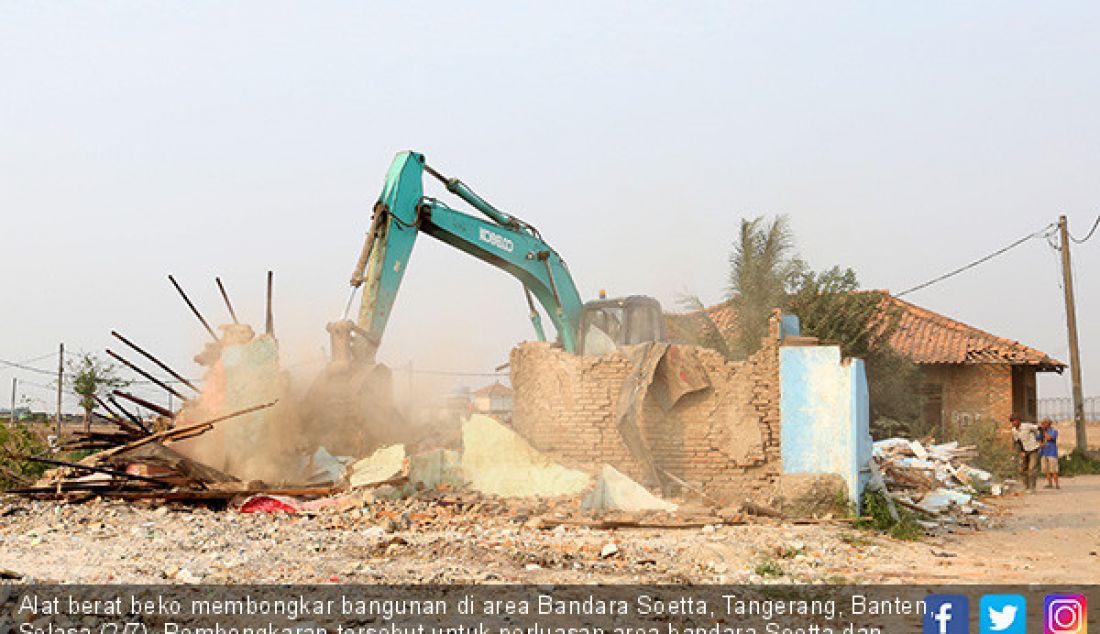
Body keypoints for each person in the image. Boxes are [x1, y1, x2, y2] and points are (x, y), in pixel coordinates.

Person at [1010, 415, 1041, 492]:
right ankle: (1026, 486)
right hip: (1025, 450)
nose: (1014, 422)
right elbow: (1018, 442)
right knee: (1022, 469)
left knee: (1032, 468)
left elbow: (1039, 428)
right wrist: (1021, 451)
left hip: (1033, 449)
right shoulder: (1014, 430)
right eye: (1012, 421)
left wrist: (1041, 440)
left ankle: (1032, 487)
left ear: (1019, 420)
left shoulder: (1026, 426)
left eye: (1015, 420)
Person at [1039, 418, 1060, 489]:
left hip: (1052, 452)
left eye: (1044, 424)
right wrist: (1040, 443)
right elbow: (1038, 439)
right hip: (1044, 452)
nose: (1043, 425)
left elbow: (1049, 438)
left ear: (1048, 424)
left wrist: (1044, 431)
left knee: (1054, 470)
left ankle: (1057, 484)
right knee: (1046, 470)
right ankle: (1050, 484)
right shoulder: (1041, 432)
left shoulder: (1054, 431)